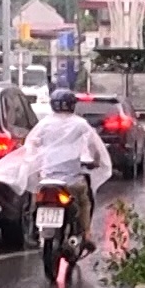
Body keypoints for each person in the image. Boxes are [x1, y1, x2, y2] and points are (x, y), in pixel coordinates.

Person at [26, 89, 114, 240]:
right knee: (85, 202)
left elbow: (32, 144)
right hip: (72, 181)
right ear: (73, 105)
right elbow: (94, 146)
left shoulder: (44, 124)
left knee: (36, 199)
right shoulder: (80, 124)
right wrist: (96, 161)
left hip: (46, 179)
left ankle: (33, 228)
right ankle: (86, 234)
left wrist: (37, 162)